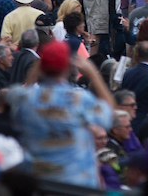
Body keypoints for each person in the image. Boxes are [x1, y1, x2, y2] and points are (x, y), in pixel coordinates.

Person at [9, 41, 114, 188]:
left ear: (41, 66)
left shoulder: (25, 98)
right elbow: (109, 116)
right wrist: (94, 76)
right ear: (67, 67)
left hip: (39, 184)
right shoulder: (80, 99)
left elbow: (19, 91)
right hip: (77, 185)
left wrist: (34, 72)